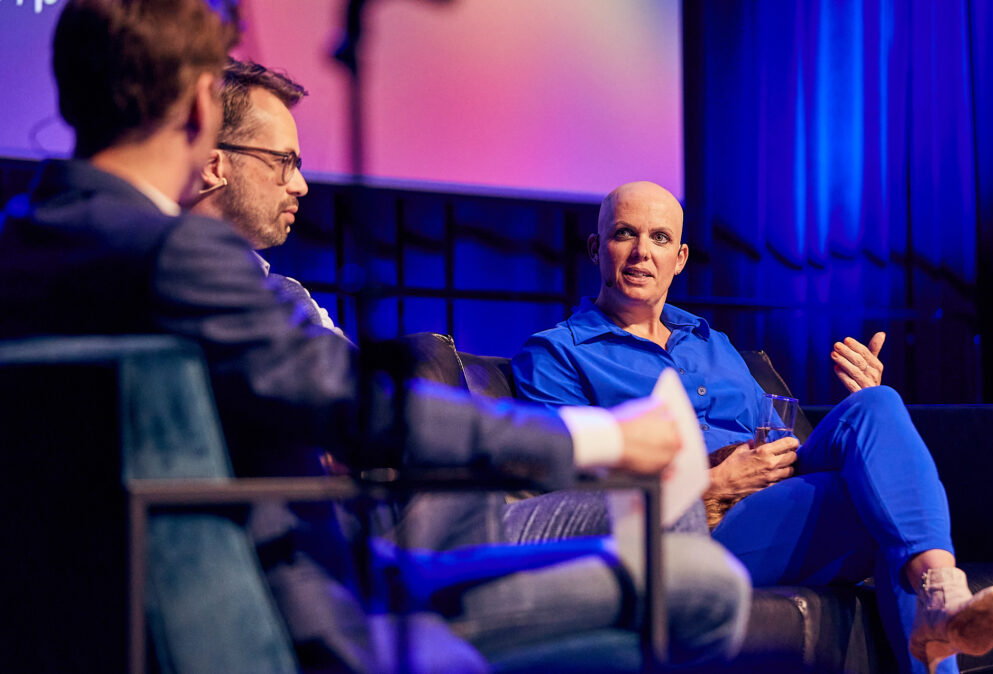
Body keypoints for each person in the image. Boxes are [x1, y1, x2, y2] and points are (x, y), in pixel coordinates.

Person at [0, 3, 748, 669]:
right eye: (285, 161)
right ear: (201, 109)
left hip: (104, 614)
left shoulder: (24, 242)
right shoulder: (177, 254)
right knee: (704, 584)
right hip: (313, 602)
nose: (299, 183)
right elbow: (361, 406)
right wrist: (605, 440)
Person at [512, 180, 993, 674]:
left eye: (660, 238)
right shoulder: (557, 353)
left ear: (680, 258)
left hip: (769, 501)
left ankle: (941, 590)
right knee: (887, 508)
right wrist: (711, 484)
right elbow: (568, 499)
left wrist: (867, 424)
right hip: (688, 534)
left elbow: (784, 447)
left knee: (876, 404)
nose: (643, 252)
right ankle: (938, 612)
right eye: (625, 234)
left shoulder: (712, 342)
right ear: (597, 248)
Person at [190, 58, 342, 334]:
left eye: (297, 165)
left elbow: (358, 378)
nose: (301, 185)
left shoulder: (291, 300)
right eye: (284, 161)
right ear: (212, 167)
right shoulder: (139, 283)